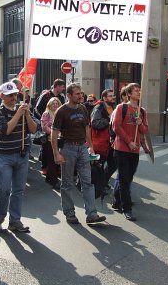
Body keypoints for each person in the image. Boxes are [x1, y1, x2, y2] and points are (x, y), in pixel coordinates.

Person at [51, 83, 106, 225]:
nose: (81, 96)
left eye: (81, 93)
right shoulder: (61, 111)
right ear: (69, 95)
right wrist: (56, 153)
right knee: (67, 183)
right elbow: (54, 133)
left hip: (82, 148)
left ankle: (92, 214)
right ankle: (69, 213)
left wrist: (91, 147)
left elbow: (87, 129)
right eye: (77, 94)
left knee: (87, 181)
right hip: (68, 149)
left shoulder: (82, 108)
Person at [0, 81, 37, 233]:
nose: (14, 98)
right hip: (4, 156)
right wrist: (18, 114)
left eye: (15, 94)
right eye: (10, 95)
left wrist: (27, 114)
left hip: (22, 155)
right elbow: (5, 131)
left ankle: (15, 221)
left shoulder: (22, 109)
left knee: (18, 190)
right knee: (3, 189)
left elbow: (33, 129)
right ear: (2, 96)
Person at [112, 82, 148, 221]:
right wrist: (129, 141)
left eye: (139, 90)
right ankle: (127, 208)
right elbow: (116, 127)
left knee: (128, 177)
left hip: (135, 150)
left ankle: (117, 199)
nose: (139, 92)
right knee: (124, 178)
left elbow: (145, 131)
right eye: (136, 90)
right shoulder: (122, 108)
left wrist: (140, 124)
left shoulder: (142, 111)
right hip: (121, 148)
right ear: (128, 94)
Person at [91, 89, 117, 189]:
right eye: (110, 96)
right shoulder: (98, 108)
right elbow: (95, 123)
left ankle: (104, 181)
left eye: (113, 95)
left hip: (111, 142)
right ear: (104, 98)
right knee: (98, 165)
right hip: (100, 143)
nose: (113, 97)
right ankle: (98, 186)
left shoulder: (114, 107)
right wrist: (109, 119)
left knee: (113, 164)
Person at [41, 97, 62, 189]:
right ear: (49, 104)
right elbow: (44, 126)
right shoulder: (46, 114)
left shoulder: (61, 113)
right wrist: (54, 134)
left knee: (58, 160)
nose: (55, 105)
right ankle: (54, 181)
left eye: (57, 103)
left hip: (60, 139)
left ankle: (50, 178)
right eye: (53, 103)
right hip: (49, 139)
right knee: (51, 160)